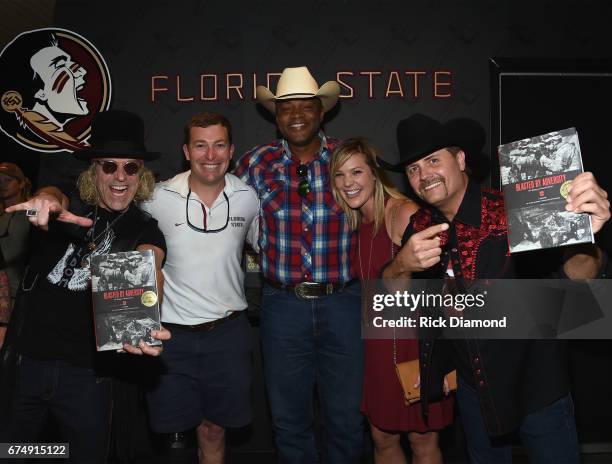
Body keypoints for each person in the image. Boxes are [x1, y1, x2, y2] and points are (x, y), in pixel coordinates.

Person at [382, 113, 610, 463]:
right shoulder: (421, 224)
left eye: (432, 160)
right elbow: (395, 296)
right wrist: (401, 265)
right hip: (475, 390)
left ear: (460, 160)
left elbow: (575, 282)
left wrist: (584, 238)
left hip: (536, 388)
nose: (423, 174)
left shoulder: (510, 211)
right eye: (413, 168)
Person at [0, 110, 170, 463]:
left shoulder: (144, 229)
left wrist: (143, 322)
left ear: (143, 173)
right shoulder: (68, 204)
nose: (120, 177)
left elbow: (150, 263)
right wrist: (45, 201)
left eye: (131, 167)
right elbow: (50, 196)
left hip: (88, 378)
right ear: (94, 169)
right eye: (109, 166)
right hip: (27, 366)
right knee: (17, 454)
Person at [235, 66, 364, 462]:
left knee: (346, 418)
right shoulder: (255, 163)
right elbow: (219, 212)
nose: (296, 115)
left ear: (321, 112)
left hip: (344, 303)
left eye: (305, 106)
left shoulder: (347, 159)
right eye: (286, 107)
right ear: (276, 116)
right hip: (283, 307)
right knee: (289, 421)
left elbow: (385, 208)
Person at [141, 112, 259, 464]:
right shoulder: (156, 197)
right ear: (186, 151)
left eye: (219, 145)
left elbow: (260, 247)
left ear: (231, 150)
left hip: (227, 334)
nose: (211, 155)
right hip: (170, 336)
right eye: (201, 146)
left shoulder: (248, 197)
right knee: (171, 436)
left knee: (214, 429)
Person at [330, 138, 454, 464]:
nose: (348, 183)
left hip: (413, 345)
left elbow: (440, 288)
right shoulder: (358, 223)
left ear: (375, 175)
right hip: (379, 348)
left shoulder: (403, 213)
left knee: (422, 442)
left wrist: (437, 358)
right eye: (339, 175)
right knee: (381, 438)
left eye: (356, 172)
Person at [0, 162, 32, 318]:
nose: (2, 185)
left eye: (7, 180)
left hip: (20, 296)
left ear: (20, 184)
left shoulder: (31, 212)